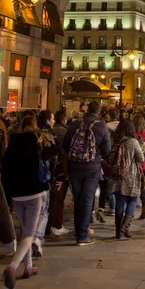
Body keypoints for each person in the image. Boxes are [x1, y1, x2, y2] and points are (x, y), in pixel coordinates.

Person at [1, 114, 50, 289]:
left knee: (24, 231)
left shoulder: (11, 145)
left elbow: (4, 171)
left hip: (16, 195)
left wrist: (8, 197)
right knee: (29, 234)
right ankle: (12, 266)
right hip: (34, 193)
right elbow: (48, 158)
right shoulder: (35, 143)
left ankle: (28, 267)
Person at [63, 101, 111, 245]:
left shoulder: (74, 124)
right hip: (92, 166)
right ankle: (82, 236)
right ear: (98, 111)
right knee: (87, 198)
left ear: (86, 110)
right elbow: (107, 150)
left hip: (74, 164)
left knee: (78, 198)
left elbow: (65, 145)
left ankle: (79, 231)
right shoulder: (102, 126)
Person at [109, 119, 144, 239]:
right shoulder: (133, 141)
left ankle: (118, 231)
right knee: (133, 199)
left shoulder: (115, 140)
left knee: (120, 201)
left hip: (117, 175)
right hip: (131, 175)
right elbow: (141, 158)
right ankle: (125, 226)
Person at [32, 110, 59, 257]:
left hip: (26, 178)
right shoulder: (47, 136)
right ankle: (37, 238)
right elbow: (52, 158)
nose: (53, 121)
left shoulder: (25, 136)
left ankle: (29, 237)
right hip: (44, 176)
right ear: (48, 120)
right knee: (43, 210)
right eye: (52, 118)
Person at [48, 110, 70, 236]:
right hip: (61, 169)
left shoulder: (50, 131)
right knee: (59, 198)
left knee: (52, 198)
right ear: (64, 119)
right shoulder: (66, 132)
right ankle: (57, 224)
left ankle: (51, 224)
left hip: (51, 170)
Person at [133, 113, 145, 219]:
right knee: (141, 187)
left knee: (132, 187)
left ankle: (130, 210)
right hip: (143, 164)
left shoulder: (132, 132)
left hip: (133, 163)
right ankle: (144, 207)